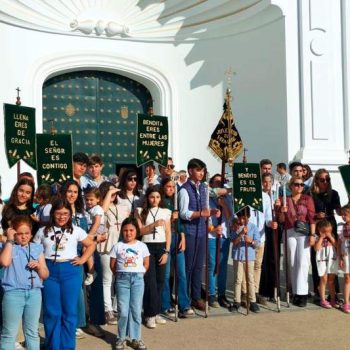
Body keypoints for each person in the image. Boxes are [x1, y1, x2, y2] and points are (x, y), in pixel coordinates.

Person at [33, 199, 95, 350]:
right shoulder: (43, 231)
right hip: (49, 272)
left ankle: (67, 346)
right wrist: (40, 266)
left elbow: (91, 244)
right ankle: (53, 346)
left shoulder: (76, 229)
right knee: (52, 312)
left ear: (70, 214)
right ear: (53, 213)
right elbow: (34, 250)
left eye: (65, 214)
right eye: (59, 213)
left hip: (71, 271)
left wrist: (82, 259)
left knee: (69, 312)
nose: (62, 217)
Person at [0, 216, 49, 350]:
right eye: (19, 234)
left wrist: (39, 267)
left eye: (26, 233)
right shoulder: (7, 247)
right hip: (13, 294)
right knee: (9, 333)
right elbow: (4, 262)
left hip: (34, 294)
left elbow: (45, 273)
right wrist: (9, 240)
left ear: (31, 234)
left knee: (32, 332)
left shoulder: (37, 248)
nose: (23, 237)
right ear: (13, 233)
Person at [178, 158, 218, 311]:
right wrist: (201, 213)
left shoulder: (204, 188)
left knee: (199, 267)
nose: (201, 173)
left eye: (202, 170)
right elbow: (183, 213)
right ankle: (185, 298)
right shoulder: (184, 189)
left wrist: (211, 214)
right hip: (189, 232)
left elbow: (206, 208)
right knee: (188, 266)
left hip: (202, 232)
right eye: (198, 170)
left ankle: (196, 297)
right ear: (190, 171)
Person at [110, 217, 150, 350]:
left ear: (136, 231)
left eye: (131, 230)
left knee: (136, 310)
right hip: (122, 280)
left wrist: (139, 273)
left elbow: (146, 263)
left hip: (138, 280)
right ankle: (120, 338)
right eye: (125, 230)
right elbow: (113, 264)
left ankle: (136, 338)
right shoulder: (118, 246)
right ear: (122, 231)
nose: (128, 233)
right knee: (123, 311)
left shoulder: (142, 246)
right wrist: (121, 275)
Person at [276, 176, 316, 307]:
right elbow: (281, 220)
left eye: (301, 185)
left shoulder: (307, 199)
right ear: (291, 186)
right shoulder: (284, 200)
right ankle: (294, 291)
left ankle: (302, 293)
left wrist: (312, 234)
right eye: (296, 184)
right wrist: (282, 211)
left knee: (303, 262)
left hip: (304, 232)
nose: (299, 187)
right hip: (289, 231)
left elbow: (312, 218)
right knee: (292, 262)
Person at [136, 186, 171, 329]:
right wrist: (154, 224)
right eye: (152, 197)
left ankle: (156, 312)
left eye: (157, 197)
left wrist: (166, 251)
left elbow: (168, 232)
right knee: (149, 281)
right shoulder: (140, 211)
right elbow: (140, 231)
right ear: (147, 198)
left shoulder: (166, 212)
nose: (155, 200)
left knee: (160, 281)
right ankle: (149, 314)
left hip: (161, 246)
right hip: (147, 247)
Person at [60, 180, 90, 339]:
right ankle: (66, 323)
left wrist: (84, 258)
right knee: (66, 293)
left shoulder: (81, 212)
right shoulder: (58, 209)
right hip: (64, 255)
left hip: (78, 256)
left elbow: (86, 237)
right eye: (69, 191)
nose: (72, 194)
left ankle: (77, 324)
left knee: (78, 292)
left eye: (75, 192)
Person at [160, 177, 193, 318]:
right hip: (165, 239)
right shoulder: (160, 202)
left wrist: (183, 237)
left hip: (177, 236)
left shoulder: (177, 202)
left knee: (181, 273)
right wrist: (170, 219)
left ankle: (184, 304)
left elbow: (182, 222)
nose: (171, 190)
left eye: (173, 187)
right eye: (168, 187)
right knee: (166, 274)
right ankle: (166, 305)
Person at [99, 181, 130, 325]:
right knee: (107, 279)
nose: (113, 195)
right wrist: (109, 194)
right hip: (106, 245)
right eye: (110, 192)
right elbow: (103, 211)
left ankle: (118, 307)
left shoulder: (123, 206)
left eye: (115, 192)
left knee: (121, 277)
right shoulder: (100, 208)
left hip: (121, 245)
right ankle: (108, 310)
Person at [310, 168, 341, 301]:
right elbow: (308, 214)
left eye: (327, 179)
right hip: (317, 227)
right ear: (316, 180)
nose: (325, 182)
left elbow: (339, 212)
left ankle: (334, 294)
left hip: (331, 226)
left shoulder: (333, 193)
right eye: (322, 180)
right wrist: (317, 215)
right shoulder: (311, 194)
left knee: (333, 258)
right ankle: (319, 293)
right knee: (317, 259)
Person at [207, 174, 233, 309]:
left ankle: (221, 294)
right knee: (212, 265)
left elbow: (231, 219)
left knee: (222, 266)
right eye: (216, 181)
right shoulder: (207, 195)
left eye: (221, 182)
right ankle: (211, 294)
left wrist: (224, 205)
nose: (219, 183)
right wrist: (212, 228)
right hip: (211, 235)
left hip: (224, 235)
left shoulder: (227, 198)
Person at [231, 207, 261, 313]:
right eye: (240, 218)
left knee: (250, 279)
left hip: (250, 256)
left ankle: (252, 301)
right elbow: (233, 241)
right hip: (238, 256)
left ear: (248, 217)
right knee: (238, 280)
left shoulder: (253, 227)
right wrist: (240, 234)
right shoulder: (235, 226)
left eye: (244, 218)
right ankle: (237, 301)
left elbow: (258, 242)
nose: (242, 221)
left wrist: (251, 241)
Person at [84, 187, 107, 286]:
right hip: (92, 229)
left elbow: (97, 223)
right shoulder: (88, 209)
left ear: (98, 199)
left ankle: (92, 272)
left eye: (91, 199)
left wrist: (90, 235)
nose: (89, 202)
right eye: (87, 199)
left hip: (96, 229)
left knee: (86, 248)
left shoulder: (97, 209)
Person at [314, 219, 337, 309]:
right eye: (325, 231)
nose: (327, 233)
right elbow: (316, 248)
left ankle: (332, 299)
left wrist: (330, 237)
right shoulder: (317, 237)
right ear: (320, 230)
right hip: (322, 259)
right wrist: (321, 238)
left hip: (332, 259)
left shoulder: (332, 236)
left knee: (331, 280)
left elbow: (336, 245)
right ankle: (323, 299)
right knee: (323, 279)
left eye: (329, 231)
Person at [338, 205, 350, 313]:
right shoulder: (341, 227)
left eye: (345, 215)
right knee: (347, 277)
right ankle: (346, 303)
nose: (343, 217)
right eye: (342, 215)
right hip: (346, 255)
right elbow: (339, 243)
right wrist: (340, 257)